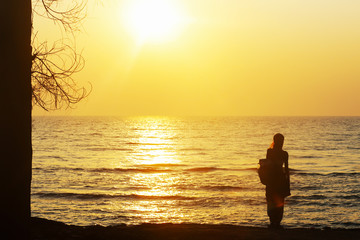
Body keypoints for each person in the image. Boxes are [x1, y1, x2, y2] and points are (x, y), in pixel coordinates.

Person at [265, 133, 290, 228]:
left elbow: (286, 169)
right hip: (277, 179)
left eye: (282, 141)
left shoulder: (271, 152)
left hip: (274, 179)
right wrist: (287, 183)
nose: (282, 143)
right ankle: (275, 222)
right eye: (281, 141)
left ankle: (274, 222)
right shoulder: (282, 153)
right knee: (276, 201)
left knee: (274, 201)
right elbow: (286, 170)